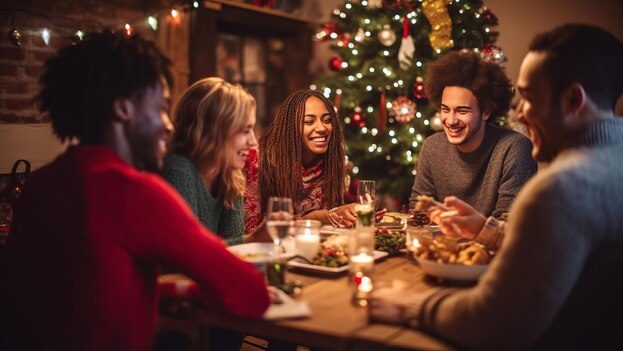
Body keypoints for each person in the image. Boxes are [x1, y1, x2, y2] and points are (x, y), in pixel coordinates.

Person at [0, 31, 270, 350]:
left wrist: (163, 297)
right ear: (123, 109)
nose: (169, 125)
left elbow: (87, 295)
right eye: (161, 107)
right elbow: (251, 293)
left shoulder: (41, 184)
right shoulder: (137, 194)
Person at [369, 24, 623, 350]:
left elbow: (492, 322)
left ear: (574, 99)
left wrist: (410, 305)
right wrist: (486, 230)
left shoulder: (561, 189)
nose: (519, 112)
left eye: (529, 97)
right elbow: (553, 249)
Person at [409, 51, 537, 218]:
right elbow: (419, 212)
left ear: (485, 112)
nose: (451, 120)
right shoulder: (432, 146)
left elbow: (509, 223)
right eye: (445, 109)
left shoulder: (514, 148)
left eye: (462, 111)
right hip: (441, 242)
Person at [162, 77, 269, 245]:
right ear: (214, 131)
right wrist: (253, 239)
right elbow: (188, 250)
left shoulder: (230, 176)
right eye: (244, 130)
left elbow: (233, 246)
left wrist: (248, 241)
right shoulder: (178, 169)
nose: (253, 141)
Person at [244, 90, 357, 234]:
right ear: (290, 127)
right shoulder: (258, 160)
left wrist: (346, 215)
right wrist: (316, 218)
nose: (322, 128)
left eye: (327, 120)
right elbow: (250, 231)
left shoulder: (330, 161)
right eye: (309, 122)